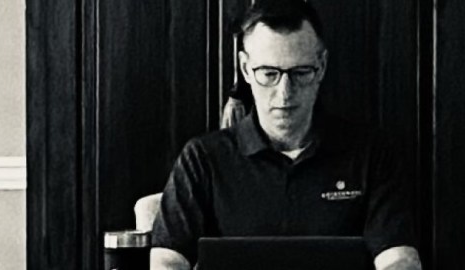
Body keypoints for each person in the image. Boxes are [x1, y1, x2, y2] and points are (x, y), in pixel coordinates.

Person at [150, 0, 421, 269]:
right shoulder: (203, 158)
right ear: (245, 69)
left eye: (300, 73)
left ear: (321, 67)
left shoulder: (370, 153)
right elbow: (167, 260)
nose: (284, 93)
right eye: (269, 74)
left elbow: (398, 258)